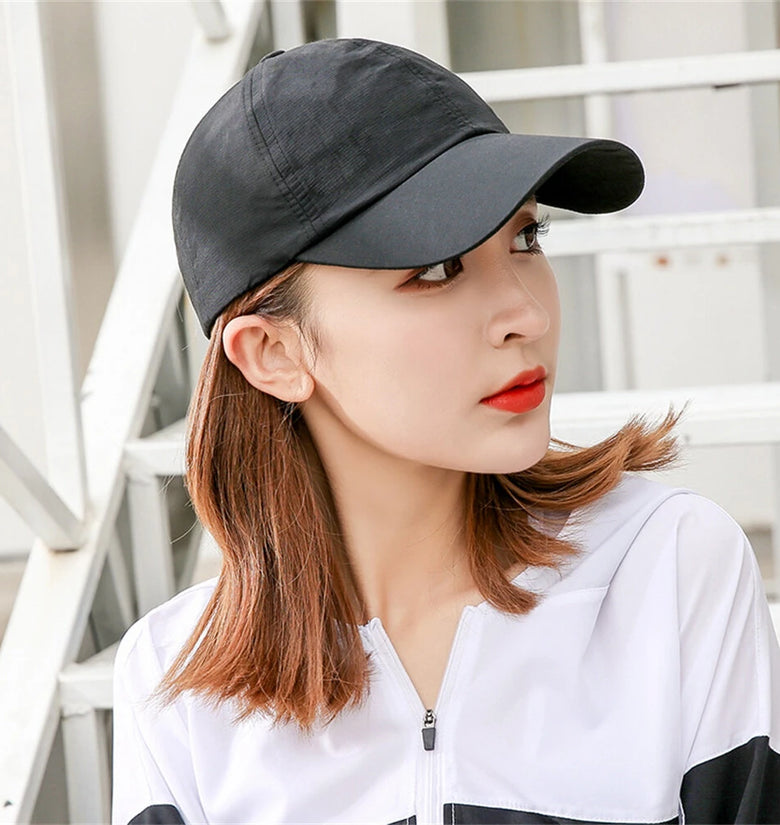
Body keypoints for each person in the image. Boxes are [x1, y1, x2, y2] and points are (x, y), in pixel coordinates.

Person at [112, 38, 780, 825]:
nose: (526, 315)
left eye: (524, 238)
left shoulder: (667, 569)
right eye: (434, 269)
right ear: (274, 353)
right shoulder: (177, 686)